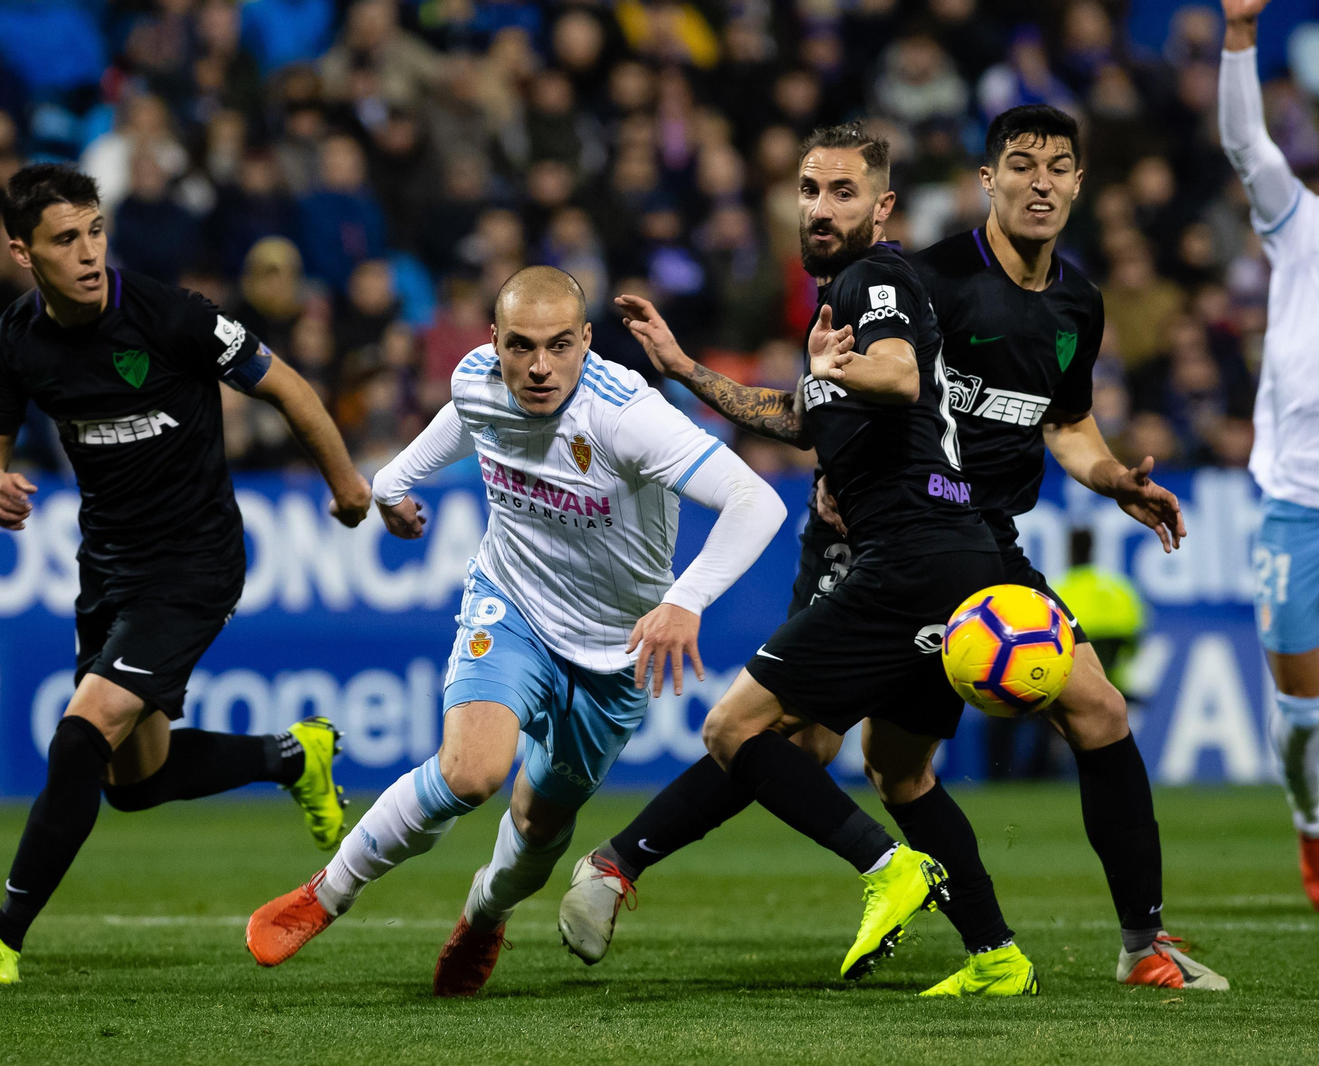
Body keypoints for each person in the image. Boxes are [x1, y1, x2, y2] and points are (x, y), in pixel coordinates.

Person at [561, 108, 1230, 991]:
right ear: (986, 180)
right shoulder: (925, 278)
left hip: (962, 539)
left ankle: (1140, 945)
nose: (1040, 182)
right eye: (1020, 165)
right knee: (847, 753)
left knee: (1082, 713)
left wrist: (1113, 479)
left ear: (1078, 183)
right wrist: (795, 416)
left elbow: (1064, 424)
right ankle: (989, 950)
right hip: (887, 531)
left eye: (1058, 168)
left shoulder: (1077, 304)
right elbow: (849, 399)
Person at [567, 122, 1040, 995]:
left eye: (844, 192)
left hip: (906, 559)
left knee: (734, 728)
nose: (822, 209)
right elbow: (794, 414)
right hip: (958, 561)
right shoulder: (842, 305)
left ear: (883, 206)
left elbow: (896, 376)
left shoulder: (876, 277)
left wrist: (840, 370)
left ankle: (886, 870)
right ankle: (997, 957)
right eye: (810, 191)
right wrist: (682, 369)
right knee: (898, 770)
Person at [244, 266, 787, 997]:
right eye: (521, 346)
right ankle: (328, 892)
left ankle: (483, 914)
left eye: (560, 346)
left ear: (587, 342)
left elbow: (757, 502)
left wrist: (685, 599)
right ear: (493, 341)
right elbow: (462, 420)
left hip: (613, 651)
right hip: (513, 606)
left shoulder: (627, 415)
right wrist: (394, 485)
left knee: (538, 821)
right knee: (472, 770)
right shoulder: (478, 380)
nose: (539, 367)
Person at [0, 164, 373, 986]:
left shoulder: (171, 316)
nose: (86, 252)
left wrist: (348, 485)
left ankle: (2, 936)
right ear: (21, 253)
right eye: (64, 239)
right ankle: (295, 755)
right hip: (107, 566)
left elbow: (285, 384)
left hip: (194, 564)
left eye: (94, 231)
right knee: (133, 783)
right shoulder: (14, 342)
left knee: (79, 736)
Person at [1221, 0, 1319, 913]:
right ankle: (1312, 826)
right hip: (1298, 505)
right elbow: (1249, 148)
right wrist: (1242, 38)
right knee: (1304, 719)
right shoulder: (1303, 226)